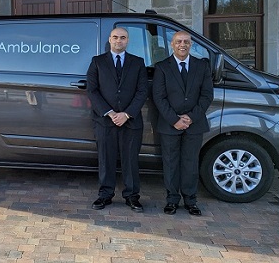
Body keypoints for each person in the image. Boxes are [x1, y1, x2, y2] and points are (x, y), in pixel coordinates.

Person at [152, 31, 213, 216]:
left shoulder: (201, 66)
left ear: (191, 44)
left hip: (194, 124)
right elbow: (159, 97)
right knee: (170, 163)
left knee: (190, 163)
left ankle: (190, 201)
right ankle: (172, 200)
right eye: (178, 41)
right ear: (172, 44)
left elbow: (207, 95)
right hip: (169, 124)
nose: (182, 45)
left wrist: (191, 118)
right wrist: (175, 120)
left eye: (186, 42)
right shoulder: (162, 67)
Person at [86, 27, 148, 211]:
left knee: (131, 161)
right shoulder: (97, 62)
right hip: (105, 121)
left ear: (127, 41)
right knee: (106, 159)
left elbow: (142, 90)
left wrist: (126, 114)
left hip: (131, 121)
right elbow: (92, 90)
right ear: (109, 39)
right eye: (115, 37)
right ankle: (105, 195)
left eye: (122, 37)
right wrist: (111, 113)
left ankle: (132, 197)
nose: (118, 40)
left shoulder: (138, 63)